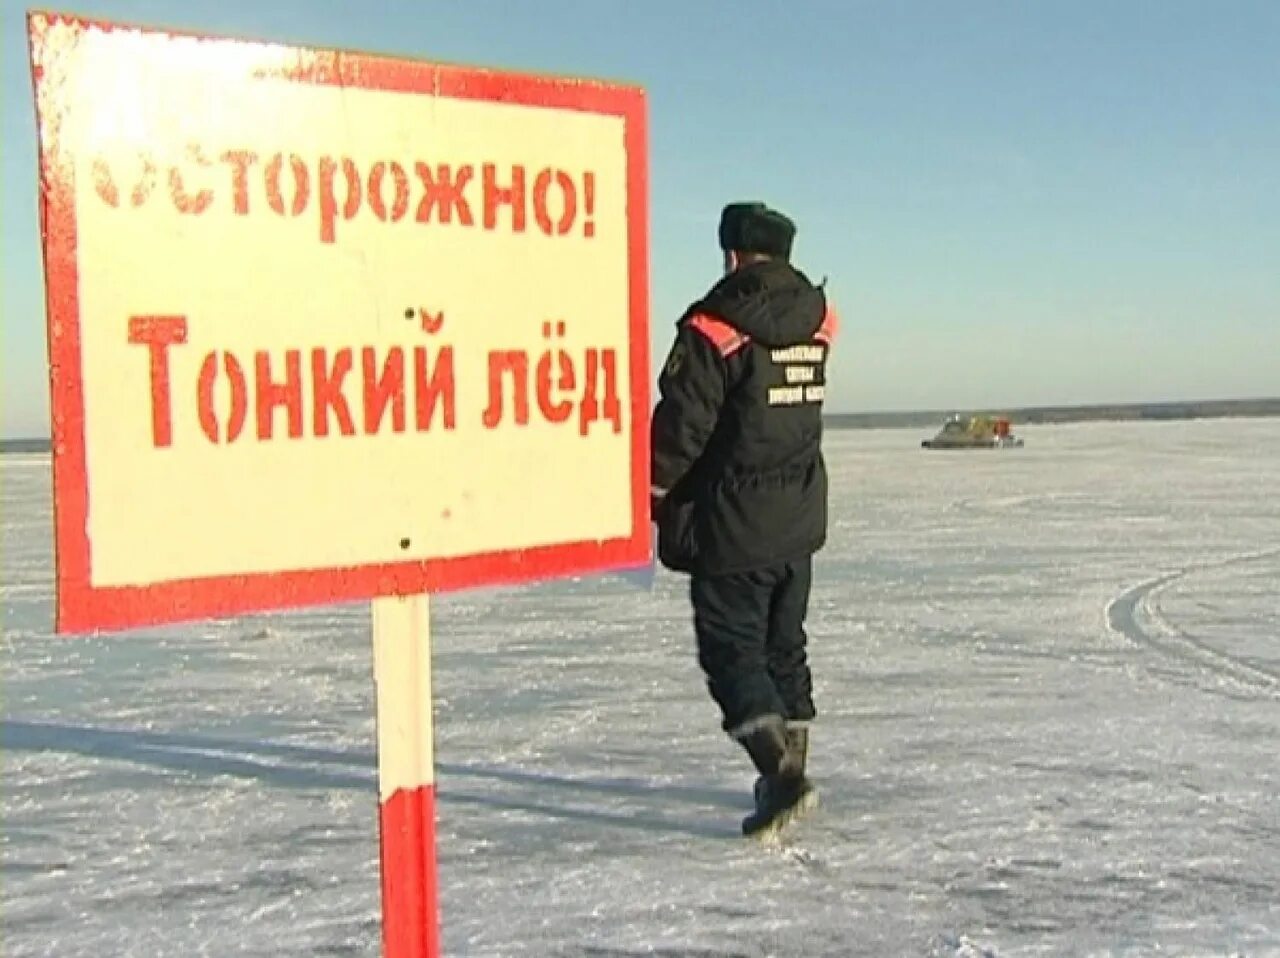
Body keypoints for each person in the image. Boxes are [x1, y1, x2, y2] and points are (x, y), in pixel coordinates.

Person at [650, 201, 837, 838]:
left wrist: (653, 491)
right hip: (798, 518)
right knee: (785, 650)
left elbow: (681, 428)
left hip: (731, 525)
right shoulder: (818, 320)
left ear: (732, 254)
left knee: (734, 656)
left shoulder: (714, 328)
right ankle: (786, 770)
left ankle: (782, 779)